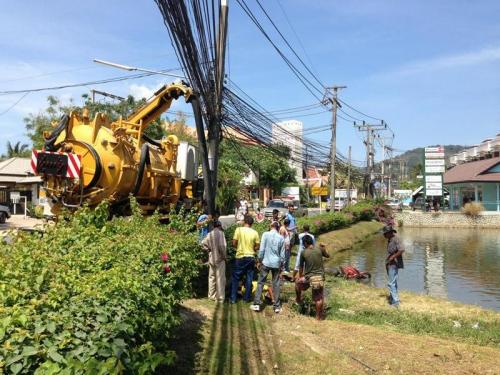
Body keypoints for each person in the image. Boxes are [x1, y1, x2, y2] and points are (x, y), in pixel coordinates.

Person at [250, 221, 285, 313]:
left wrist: (259, 260)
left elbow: (261, 250)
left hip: (266, 262)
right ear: (278, 228)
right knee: (276, 284)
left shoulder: (265, 234)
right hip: (276, 263)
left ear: (270, 226)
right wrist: (282, 266)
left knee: (261, 282)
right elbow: (282, 255)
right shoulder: (281, 238)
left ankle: (257, 304)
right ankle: (277, 306)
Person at [295, 235, 329, 320]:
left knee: (297, 283)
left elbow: (301, 267)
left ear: (306, 243)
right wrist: (324, 248)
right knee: (318, 298)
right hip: (319, 277)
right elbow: (327, 256)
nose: (302, 244)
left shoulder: (303, 252)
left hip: (308, 277)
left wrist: (300, 276)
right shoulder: (320, 249)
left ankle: (298, 300)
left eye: (303, 243)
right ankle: (318, 317)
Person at [230, 216, 260, 303]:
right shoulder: (255, 232)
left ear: (244, 222)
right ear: (251, 224)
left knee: (236, 277)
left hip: (240, 256)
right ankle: (246, 298)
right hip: (251, 257)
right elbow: (257, 246)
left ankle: (233, 299)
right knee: (249, 277)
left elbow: (234, 243)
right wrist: (252, 249)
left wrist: (238, 248)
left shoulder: (238, 230)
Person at [201, 221, 227, 302]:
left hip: (211, 258)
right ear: (219, 226)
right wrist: (224, 257)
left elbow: (202, 243)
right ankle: (220, 298)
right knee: (220, 278)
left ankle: (211, 296)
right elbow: (222, 246)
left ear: (214, 226)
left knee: (211, 277)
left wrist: (208, 250)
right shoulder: (221, 233)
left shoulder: (209, 234)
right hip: (220, 259)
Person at [382, 225, 404, 308]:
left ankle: (396, 302)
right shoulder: (390, 239)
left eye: (385, 233)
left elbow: (401, 250)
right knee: (393, 282)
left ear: (390, 233)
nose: (384, 235)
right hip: (389, 263)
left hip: (394, 263)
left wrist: (392, 257)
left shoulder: (396, 239)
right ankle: (392, 298)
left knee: (391, 283)